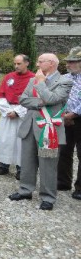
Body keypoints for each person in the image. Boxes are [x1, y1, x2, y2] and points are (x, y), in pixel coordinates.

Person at [8, 53, 72, 211]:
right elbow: (23, 99)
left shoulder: (65, 81)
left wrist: (42, 84)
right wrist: (41, 102)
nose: (37, 64)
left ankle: (48, 197)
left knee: (48, 164)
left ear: (51, 63)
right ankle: (25, 189)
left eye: (41, 62)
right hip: (30, 125)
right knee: (27, 160)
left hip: (49, 128)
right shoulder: (32, 80)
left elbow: (52, 99)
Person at [0, 54, 35, 180]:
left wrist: (18, 112)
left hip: (23, 114)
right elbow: (0, 95)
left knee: (21, 141)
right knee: (5, 139)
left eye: (19, 63)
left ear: (27, 63)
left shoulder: (33, 79)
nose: (16, 66)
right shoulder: (8, 77)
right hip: (8, 112)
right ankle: (4, 164)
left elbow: (33, 98)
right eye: (15, 64)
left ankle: (21, 167)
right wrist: (8, 110)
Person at [57, 47, 81, 200]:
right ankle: (63, 182)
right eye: (67, 61)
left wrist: (74, 113)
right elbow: (59, 97)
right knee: (64, 151)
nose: (68, 64)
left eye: (72, 61)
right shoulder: (65, 78)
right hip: (64, 118)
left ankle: (79, 187)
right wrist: (64, 115)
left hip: (78, 117)